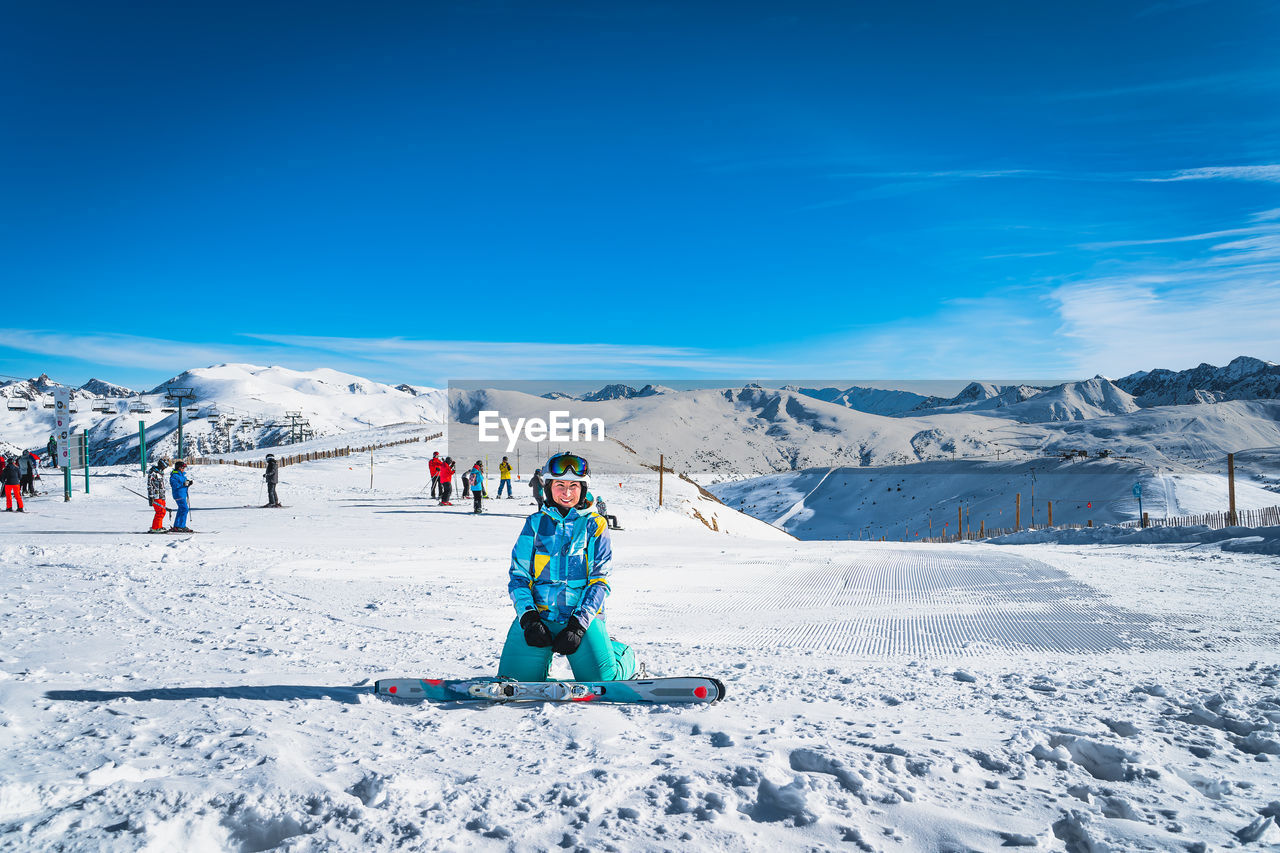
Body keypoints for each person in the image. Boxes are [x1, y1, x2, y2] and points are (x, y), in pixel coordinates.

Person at [498, 452, 634, 682]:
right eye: (560, 485)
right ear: (549, 487)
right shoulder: (534, 524)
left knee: (603, 681)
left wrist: (578, 626)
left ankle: (620, 654)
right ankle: (541, 657)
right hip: (539, 618)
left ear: (583, 489)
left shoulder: (595, 525)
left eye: (574, 485)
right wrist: (529, 618)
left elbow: (599, 581)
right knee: (514, 682)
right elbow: (519, 577)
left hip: (581, 620)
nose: (567, 492)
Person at [169, 461, 194, 532]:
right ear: (178, 468)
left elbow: (185, 483)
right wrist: (184, 484)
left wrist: (188, 483)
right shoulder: (174, 475)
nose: (183, 469)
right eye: (182, 467)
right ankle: (181, 526)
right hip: (178, 494)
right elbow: (174, 485)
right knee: (185, 509)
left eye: (184, 468)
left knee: (181, 509)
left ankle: (177, 526)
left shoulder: (182, 475)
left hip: (182, 494)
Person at [146, 458, 169, 532]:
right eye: (165, 466)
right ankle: (155, 528)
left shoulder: (160, 472)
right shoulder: (153, 472)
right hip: (156, 495)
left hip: (161, 495)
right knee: (160, 511)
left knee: (163, 511)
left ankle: (158, 526)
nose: (165, 468)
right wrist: (151, 496)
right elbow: (150, 485)